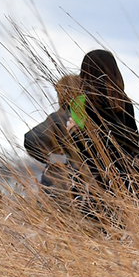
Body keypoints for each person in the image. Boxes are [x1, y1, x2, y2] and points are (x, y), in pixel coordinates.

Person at [69, 50, 139, 222]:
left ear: (85, 72)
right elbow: (133, 141)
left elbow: (80, 147)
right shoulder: (124, 102)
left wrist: (72, 130)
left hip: (94, 180)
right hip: (125, 179)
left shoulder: (79, 103)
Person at [23, 74, 82, 204]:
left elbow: (30, 138)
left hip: (59, 183)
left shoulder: (58, 118)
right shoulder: (91, 117)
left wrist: (50, 158)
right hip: (86, 184)